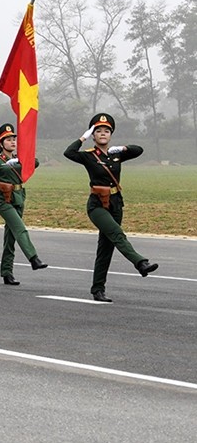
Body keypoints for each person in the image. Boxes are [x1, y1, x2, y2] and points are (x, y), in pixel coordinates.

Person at [63, 113, 158, 302]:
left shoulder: (116, 155)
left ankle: (98, 289)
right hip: (97, 205)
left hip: (116, 203)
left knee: (106, 248)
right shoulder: (89, 156)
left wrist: (122, 148)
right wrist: (83, 136)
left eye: (106, 131)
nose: (103, 134)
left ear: (111, 134)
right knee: (117, 234)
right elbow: (69, 152)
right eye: (98, 131)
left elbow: (139, 150)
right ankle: (140, 263)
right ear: (94, 135)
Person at [0, 123, 47, 285]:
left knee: (10, 238)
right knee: (20, 229)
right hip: (4, 200)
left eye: (14, 139)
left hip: (19, 198)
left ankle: (7, 272)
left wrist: (23, 156)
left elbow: (36, 162)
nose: (12, 142)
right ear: (1, 143)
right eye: (8, 139)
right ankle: (33, 258)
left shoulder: (19, 159)